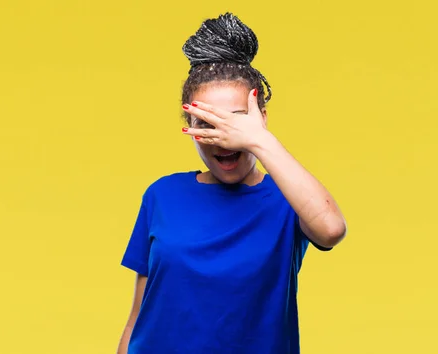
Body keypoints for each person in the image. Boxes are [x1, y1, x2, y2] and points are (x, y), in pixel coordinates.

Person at [116, 12, 347, 354]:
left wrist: (259, 141)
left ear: (261, 120)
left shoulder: (287, 199)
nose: (224, 138)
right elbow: (138, 315)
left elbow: (331, 229)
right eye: (206, 122)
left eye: (237, 122)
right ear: (189, 125)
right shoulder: (161, 195)